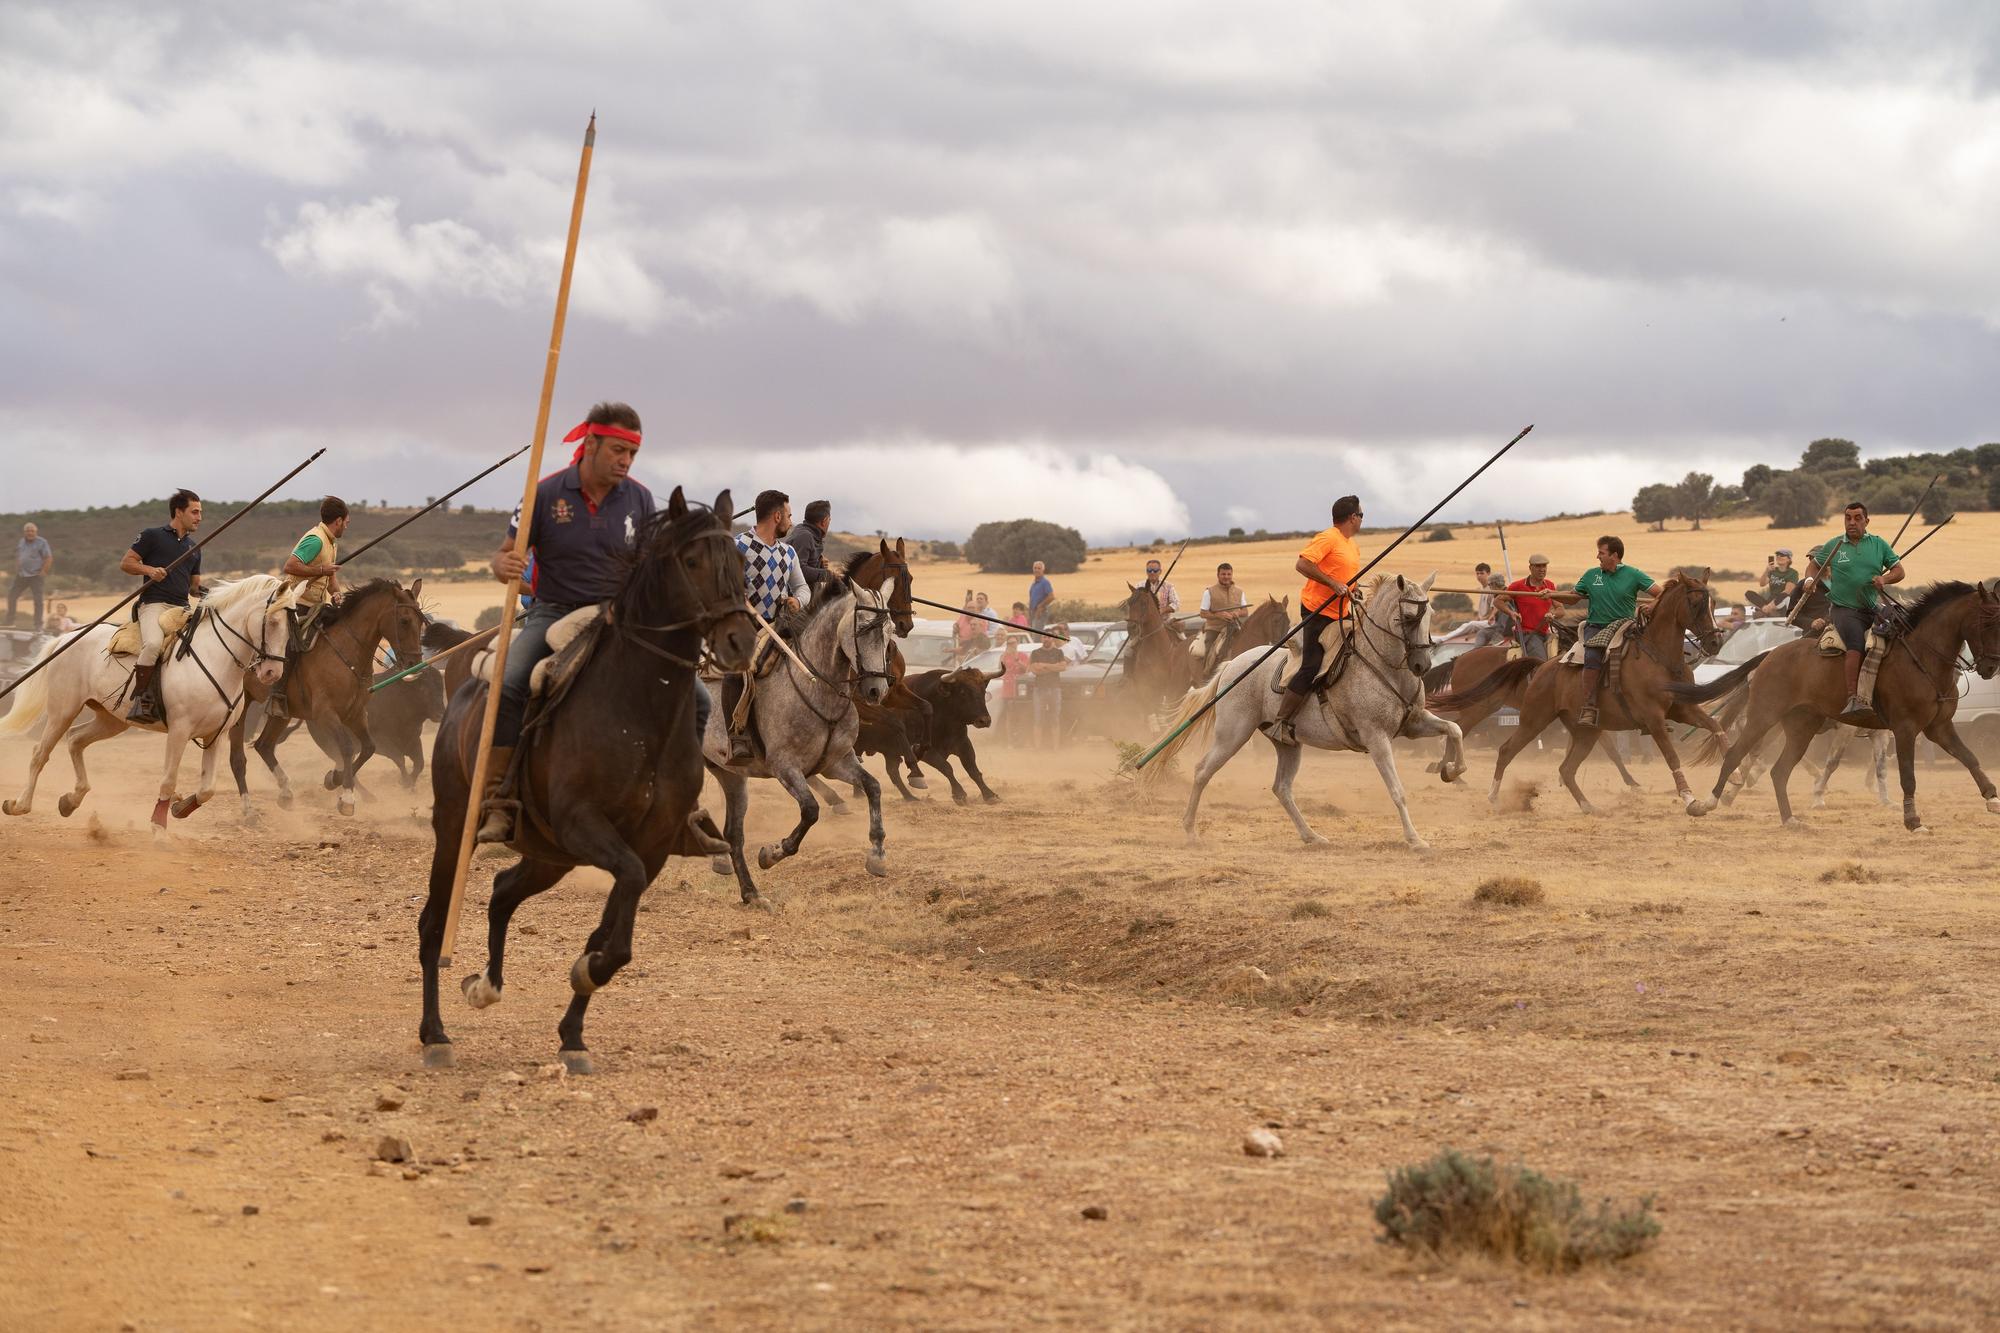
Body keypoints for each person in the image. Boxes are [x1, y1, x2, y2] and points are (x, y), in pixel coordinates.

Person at [478, 403, 667, 843]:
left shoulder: (639, 498)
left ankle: (681, 803)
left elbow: (647, 566)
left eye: (632, 454)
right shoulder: (543, 494)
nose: (625, 461)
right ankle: (498, 801)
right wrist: (502, 564)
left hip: (616, 617)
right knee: (509, 682)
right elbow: (504, 553)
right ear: (591, 443)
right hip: (554, 611)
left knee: (692, 696)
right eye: (618, 450)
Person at [1264, 495, 1364, 746]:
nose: (1362, 519)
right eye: (1361, 515)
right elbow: (1302, 564)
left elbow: (1346, 577)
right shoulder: (1328, 538)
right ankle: (1281, 722)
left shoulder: (1352, 544)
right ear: (1352, 517)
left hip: (1342, 613)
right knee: (1311, 665)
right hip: (1318, 611)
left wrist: (1354, 589)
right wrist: (1332, 584)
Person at [725, 489, 812, 761]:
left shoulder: (788, 553)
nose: (790, 520)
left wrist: (797, 601)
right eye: (788, 515)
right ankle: (737, 734)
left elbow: (803, 589)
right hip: (746, 627)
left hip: (781, 626)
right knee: (739, 669)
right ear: (776, 516)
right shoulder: (738, 546)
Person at [1543, 535, 1661, 729]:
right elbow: (1573, 597)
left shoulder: (1634, 574)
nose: (1597, 556)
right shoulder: (1591, 575)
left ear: (1614, 555)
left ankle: (1649, 704)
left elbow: (1661, 592)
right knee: (1592, 655)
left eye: (1601, 553)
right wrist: (1551, 595)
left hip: (1626, 626)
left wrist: (1653, 605)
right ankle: (1589, 706)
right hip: (1596, 627)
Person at [1800, 502, 1904, 722]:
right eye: (1848, 518)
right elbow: (1814, 566)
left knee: (1901, 630)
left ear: (1867, 521)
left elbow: (1899, 571)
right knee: (1856, 643)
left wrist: (1884, 578)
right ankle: (1853, 698)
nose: (1852, 522)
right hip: (1844, 609)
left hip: (1871, 607)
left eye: (1857, 518)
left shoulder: (1878, 545)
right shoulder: (1835, 545)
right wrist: (1810, 579)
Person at [119, 489, 204, 724]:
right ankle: (142, 698)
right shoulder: (152, 536)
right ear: (179, 512)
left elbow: (194, 587)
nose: (199, 517)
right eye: (194, 512)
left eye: (200, 512)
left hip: (182, 609)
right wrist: (149, 570)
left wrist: (208, 593)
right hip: (154, 605)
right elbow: (126, 563)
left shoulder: (195, 547)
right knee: (154, 644)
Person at [265, 496, 351, 723]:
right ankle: (278, 695)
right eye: (346, 522)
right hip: (297, 602)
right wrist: (322, 569)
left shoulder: (331, 541)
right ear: (339, 520)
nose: (347, 526)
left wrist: (337, 594)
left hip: (317, 604)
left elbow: (330, 574)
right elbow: (290, 565)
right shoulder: (315, 539)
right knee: (294, 643)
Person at [1499, 555, 1557, 661]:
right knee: (1541, 662)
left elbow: (1560, 609)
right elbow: (1498, 601)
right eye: (1538, 566)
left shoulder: (1550, 585)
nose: (1542, 569)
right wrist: (1511, 613)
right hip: (1526, 633)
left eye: (1544, 566)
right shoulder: (1517, 586)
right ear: (1530, 568)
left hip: (1545, 632)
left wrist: (1552, 615)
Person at [1198, 562, 1250, 663]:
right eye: (1223, 574)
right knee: (1209, 651)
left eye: (1228, 574)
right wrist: (1218, 615)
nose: (1226, 577)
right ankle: (1206, 674)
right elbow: (1203, 613)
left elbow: (1245, 611)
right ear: (1218, 575)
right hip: (1214, 629)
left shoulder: (1239, 592)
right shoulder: (1209, 592)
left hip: (1235, 628)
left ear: (1232, 575)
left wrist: (1237, 613)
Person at [1027, 623, 1069, 747]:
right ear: (1042, 638)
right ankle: (1038, 748)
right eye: (1044, 637)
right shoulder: (1035, 653)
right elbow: (1034, 669)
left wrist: (1044, 666)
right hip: (1039, 689)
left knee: (1055, 718)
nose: (1046, 639)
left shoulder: (1058, 652)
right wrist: (1053, 667)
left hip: (1055, 688)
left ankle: (1055, 748)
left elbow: (1063, 667)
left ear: (1052, 638)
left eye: (1049, 637)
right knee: (1038, 718)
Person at [785, 499, 835, 593]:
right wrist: (828, 575)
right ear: (824, 521)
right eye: (829, 519)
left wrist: (819, 562)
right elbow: (799, 570)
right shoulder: (805, 536)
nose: (829, 522)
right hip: (795, 599)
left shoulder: (807, 533)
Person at [10, 522, 53, 630]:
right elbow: (19, 556)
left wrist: (43, 572)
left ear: (36, 532)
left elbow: (48, 558)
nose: (30, 533)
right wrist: (17, 568)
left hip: (35, 575)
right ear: (24, 532)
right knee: (12, 596)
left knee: (38, 600)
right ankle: (10, 621)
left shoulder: (42, 542)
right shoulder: (21, 542)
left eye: (32, 531)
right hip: (22, 575)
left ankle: (38, 624)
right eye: (28, 531)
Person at [1745, 548, 1800, 613]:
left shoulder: (1793, 573)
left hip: (1782, 601)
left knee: (1784, 595)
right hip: (1770, 600)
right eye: (1777, 555)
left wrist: (1771, 605)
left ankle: (1766, 610)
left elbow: (1787, 591)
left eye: (1782, 555)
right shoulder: (1773, 571)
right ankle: (1765, 609)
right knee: (1749, 593)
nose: (1779, 556)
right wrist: (1767, 571)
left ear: (1789, 559)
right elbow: (1762, 584)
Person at [1027, 561, 1054, 630]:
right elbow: (1031, 600)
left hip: (1040, 613)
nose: (1036, 570)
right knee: (1032, 635)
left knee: (1037, 636)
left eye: (1039, 568)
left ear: (1043, 570)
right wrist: (1029, 615)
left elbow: (1051, 596)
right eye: (1035, 568)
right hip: (1033, 613)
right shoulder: (1033, 584)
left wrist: (1040, 606)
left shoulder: (1045, 582)